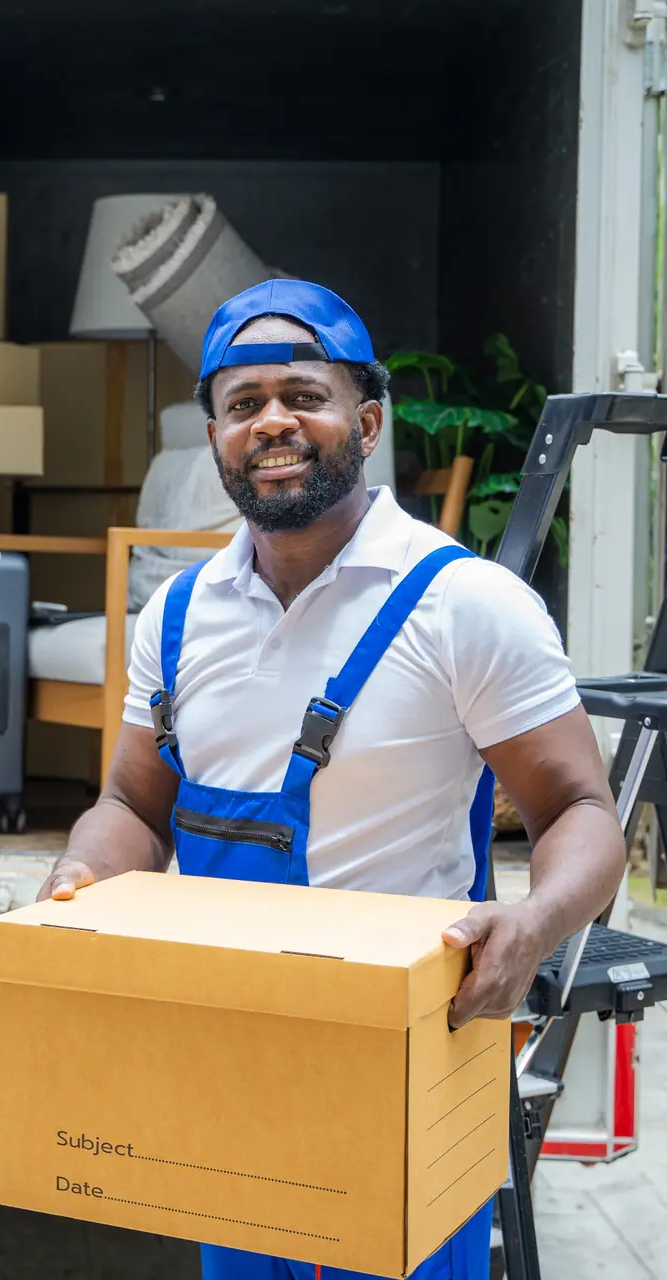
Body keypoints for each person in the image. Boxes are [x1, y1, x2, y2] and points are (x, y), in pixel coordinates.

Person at [38, 279, 626, 1280]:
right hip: (229, 1053)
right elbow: (134, 803)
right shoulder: (174, 617)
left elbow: (579, 810)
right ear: (214, 437)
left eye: (299, 394)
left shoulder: (465, 605)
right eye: (240, 403)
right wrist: (81, 874)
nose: (270, 421)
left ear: (363, 417)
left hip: (400, 1061)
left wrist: (527, 925)